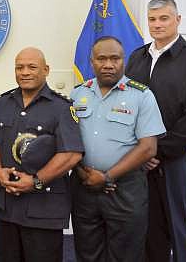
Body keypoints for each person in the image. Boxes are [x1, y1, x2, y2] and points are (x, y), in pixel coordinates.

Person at [125, 0, 186, 262]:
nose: (157, 24)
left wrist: (155, 150)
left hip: (179, 156)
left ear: (177, 20)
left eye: (164, 18)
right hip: (143, 158)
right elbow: (128, 106)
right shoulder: (137, 58)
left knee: (182, 227)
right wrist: (141, 151)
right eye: (152, 19)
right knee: (149, 227)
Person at [0, 47, 83, 262]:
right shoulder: (3, 103)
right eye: (19, 67)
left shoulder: (61, 107)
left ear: (46, 70)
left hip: (43, 209)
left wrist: (36, 181)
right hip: (7, 206)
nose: (25, 72)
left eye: (32, 67)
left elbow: (71, 154)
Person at [70, 36, 166, 262]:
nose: (108, 64)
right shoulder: (77, 94)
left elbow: (148, 148)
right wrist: (86, 174)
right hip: (84, 186)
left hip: (126, 190)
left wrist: (106, 176)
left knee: (126, 254)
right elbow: (67, 141)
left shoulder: (141, 96)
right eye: (101, 58)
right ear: (92, 61)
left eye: (115, 58)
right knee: (87, 252)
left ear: (124, 61)